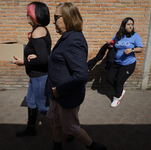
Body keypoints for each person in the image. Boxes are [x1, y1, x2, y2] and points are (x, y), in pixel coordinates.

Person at [45, 2, 107, 150]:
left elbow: (81, 75)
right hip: (57, 94)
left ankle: (92, 145)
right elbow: (60, 60)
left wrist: (59, 90)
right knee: (56, 122)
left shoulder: (74, 40)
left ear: (67, 17)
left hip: (65, 95)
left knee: (71, 128)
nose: (53, 20)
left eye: (56, 16)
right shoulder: (67, 36)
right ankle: (57, 145)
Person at [12, 2, 51, 137]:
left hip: (39, 76)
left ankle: (69, 128)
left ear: (35, 15)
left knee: (44, 107)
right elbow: (43, 54)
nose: (26, 16)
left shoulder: (38, 32)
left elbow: (43, 59)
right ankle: (31, 129)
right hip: (35, 76)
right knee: (31, 101)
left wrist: (23, 62)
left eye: (28, 14)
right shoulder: (39, 30)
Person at [106, 17, 143, 108]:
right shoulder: (119, 35)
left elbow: (141, 48)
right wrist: (110, 44)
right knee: (109, 79)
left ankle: (116, 98)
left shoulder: (135, 36)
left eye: (132, 24)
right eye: (128, 24)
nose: (130, 26)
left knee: (119, 82)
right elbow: (113, 42)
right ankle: (120, 90)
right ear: (124, 25)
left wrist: (132, 49)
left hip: (128, 64)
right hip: (116, 62)